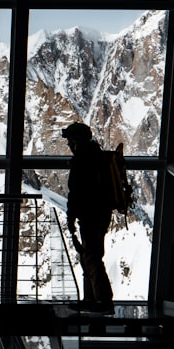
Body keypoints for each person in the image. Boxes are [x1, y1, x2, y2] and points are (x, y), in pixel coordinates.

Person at [61, 121, 115, 315]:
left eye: (70, 141)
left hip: (90, 215)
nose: (69, 145)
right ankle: (91, 299)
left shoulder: (83, 161)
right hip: (99, 214)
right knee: (89, 256)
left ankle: (103, 301)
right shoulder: (96, 156)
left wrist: (71, 217)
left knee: (91, 257)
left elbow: (76, 193)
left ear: (77, 141)